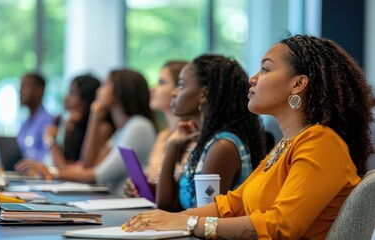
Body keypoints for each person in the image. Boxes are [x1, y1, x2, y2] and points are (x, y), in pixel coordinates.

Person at [122, 35, 373, 239]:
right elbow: (231, 204)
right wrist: (173, 219)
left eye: (265, 69)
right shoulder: (286, 145)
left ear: (298, 84)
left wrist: (189, 223)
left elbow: (281, 227)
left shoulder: (321, 143)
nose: (252, 79)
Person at [15, 69, 157, 195]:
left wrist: (51, 172)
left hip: (127, 204)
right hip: (115, 201)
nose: (99, 90)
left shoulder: (138, 126)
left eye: (105, 85)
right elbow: (90, 165)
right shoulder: (122, 130)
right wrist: (94, 115)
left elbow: (99, 174)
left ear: (119, 91)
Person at [156, 54, 265, 211]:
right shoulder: (206, 141)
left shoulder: (222, 147)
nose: (174, 93)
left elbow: (204, 215)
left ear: (204, 94)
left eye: (181, 85)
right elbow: (166, 205)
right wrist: (172, 146)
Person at [124, 60, 188, 198]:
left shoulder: (190, 136)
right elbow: (152, 176)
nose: (153, 88)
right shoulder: (163, 135)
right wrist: (137, 186)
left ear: (179, 89)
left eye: (162, 82)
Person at [43, 74, 114, 167]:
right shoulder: (73, 126)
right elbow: (70, 163)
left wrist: (50, 141)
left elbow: (82, 166)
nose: (66, 98)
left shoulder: (103, 128)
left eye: (73, 93)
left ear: (86, 100)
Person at [16, 72, 54, 162]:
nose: (20, 91)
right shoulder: (25, 123)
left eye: (25, 85)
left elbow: (47, 158)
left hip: (38, 172)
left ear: (40, 90)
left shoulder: (49, 121)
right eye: (20, 86)